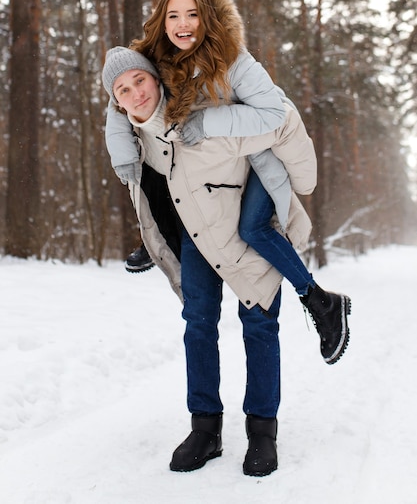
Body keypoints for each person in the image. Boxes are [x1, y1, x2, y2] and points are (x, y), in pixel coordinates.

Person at [102, 46, 349, 477]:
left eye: (139, 80)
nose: (135, 93)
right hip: (197, 238)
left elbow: (270, 124)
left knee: (259, 323)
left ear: (156, 78)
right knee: (198, 323)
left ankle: (262, 432)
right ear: (116, 102)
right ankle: (205, 429)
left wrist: (291, 183)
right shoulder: (132, 141)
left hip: (244, 225)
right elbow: (151, 202)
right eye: (122, 90)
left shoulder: (202, 108)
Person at [105, 0, 351, 366]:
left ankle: (319, 300)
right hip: (206, 163)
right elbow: (116, 99)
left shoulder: (232, 57)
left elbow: (275, 114)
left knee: (252, 229)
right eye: (173, 16)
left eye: (192, 15)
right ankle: (153, 236)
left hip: (254, 159)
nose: (183, 24)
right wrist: (122, 156)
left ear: (206, 19)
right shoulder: (153, 57)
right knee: (154, 155)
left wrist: (207, 123)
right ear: (162, 23)